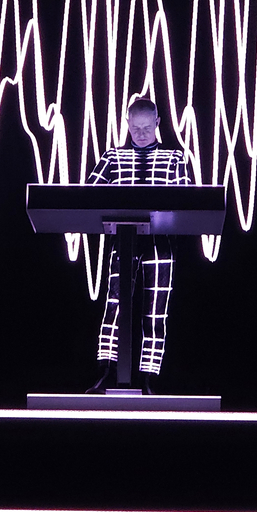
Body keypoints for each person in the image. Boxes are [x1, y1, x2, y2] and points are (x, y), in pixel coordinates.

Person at [87, 97, 194, 392]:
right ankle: (107, 371)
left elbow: (186, 199)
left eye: (147, 128)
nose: (142, 134)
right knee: (114, 306)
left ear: (158, 123)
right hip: (124, 241)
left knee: (156, 312)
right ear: (127, 124)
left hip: (161, 243)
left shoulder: (174, 158)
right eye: (136, 128)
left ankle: (150, 377)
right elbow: (88, 195)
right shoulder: (113, 157)